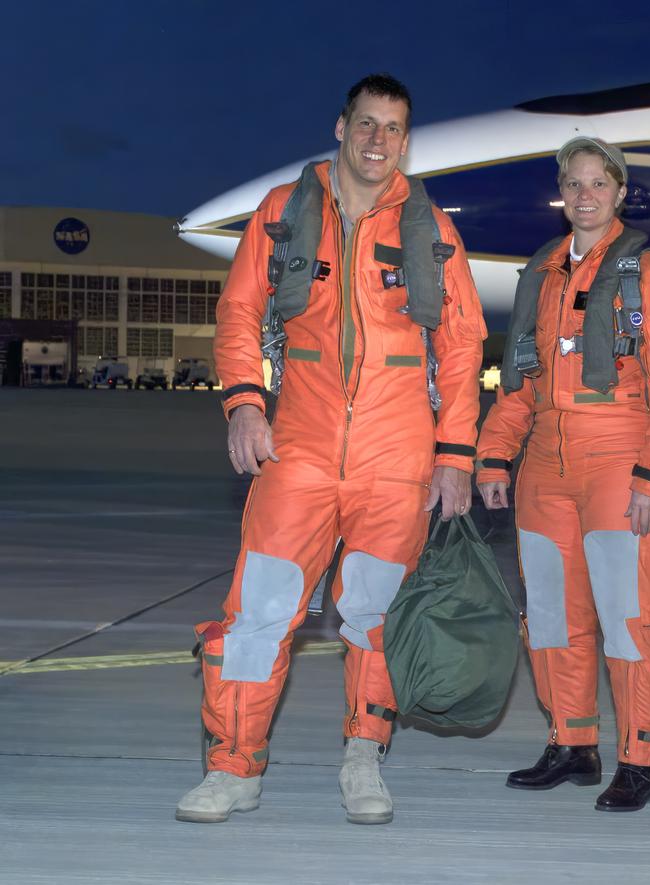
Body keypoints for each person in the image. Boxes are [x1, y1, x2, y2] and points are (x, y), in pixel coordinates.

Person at [176, 73, 486, 825]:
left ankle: (363, 758)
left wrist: (455, 455)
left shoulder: (431, 227)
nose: (380, 141)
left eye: (394, 129)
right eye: (368, 124)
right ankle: (234, 767)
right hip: (300, 450)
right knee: (255, 613)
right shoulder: (285, 213)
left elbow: (462, 345)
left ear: (405, 141)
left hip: (397, 457)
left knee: (377, 620)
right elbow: (241, 312)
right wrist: (245, 404)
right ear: (341, 127)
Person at [476, 137, 650, 813]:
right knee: (549, 614)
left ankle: (639, 755)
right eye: (573, 184)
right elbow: (519, 377)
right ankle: (572, 742)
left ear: (620, 191)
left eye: (599, 183)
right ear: (561, 193)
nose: (585, 195)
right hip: (545, 462)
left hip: (619, 458)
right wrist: (494, 452)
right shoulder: (541, 272)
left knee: (629, 618)